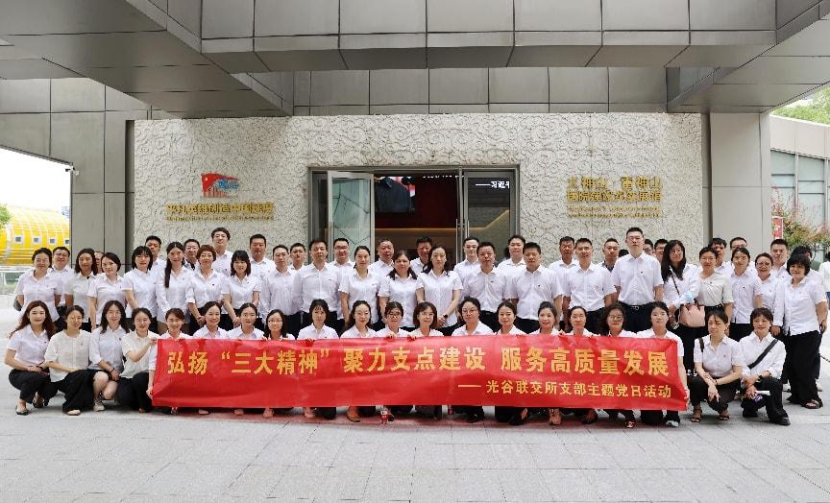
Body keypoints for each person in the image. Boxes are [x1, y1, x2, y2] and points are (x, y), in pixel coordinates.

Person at [773, 254, 826, 409]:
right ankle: (797, 394)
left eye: (800, 267)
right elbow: (779, 306)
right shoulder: (784, 285)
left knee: (802, 363)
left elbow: (822, 307)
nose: (796, 269)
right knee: (790, 363)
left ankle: (812, 397)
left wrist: (817, 323)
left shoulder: (813, 285)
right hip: (789, 330)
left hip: (808, 331)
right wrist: (776, 324)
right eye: (793, 266)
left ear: (806, 269)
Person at [636, 302, 687, 428]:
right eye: (655, 314)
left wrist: (685, 388)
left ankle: (672, 414)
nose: (659, 317)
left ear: (668, 316)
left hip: (668, 379)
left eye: (662, 314)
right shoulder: (641, 336)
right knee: (651, 420)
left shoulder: (675, 339)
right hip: (648, 380)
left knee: (676, 381)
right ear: (650, 318)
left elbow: (680, 365)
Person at [689, 310, 744, 422]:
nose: (713, 326)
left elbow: (738, 373)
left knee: (716, 401)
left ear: (726, 325)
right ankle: (697, 408)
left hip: (726, 382)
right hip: (706, 379)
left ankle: (722, 408)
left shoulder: (734, 345)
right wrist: (711, 383)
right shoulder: (699, 342)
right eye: (710, 323)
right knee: (695, 381)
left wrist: (716, 383)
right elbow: (698, 367)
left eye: (717, 323)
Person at [739, 307, 790, 425]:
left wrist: (756, 378)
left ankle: (777, 415)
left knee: (771, 382)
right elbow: (741, 366)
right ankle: (750, 406)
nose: (760, 324)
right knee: (754, 400)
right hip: (748, 385)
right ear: (752, 323)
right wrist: (750, 385)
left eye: (764, 321)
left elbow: (776, 369)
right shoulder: (743, 342)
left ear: (770, 323)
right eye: (756, 320)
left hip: (766, 384)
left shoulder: (779, 345)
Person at [5, 301, 56, 415]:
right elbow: (8, 359)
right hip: (21, 372)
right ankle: (21, 403)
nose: (38, 316)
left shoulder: (50, 333)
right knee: (34, 377)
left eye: (41, 313)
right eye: (34, 313)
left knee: (52, 386)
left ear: (46, 315)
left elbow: (54, 356)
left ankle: (39, 398)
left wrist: (42, 366)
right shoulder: (19, 334)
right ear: (28, 315)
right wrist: (28, 368)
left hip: (43, 370)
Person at [43, 305, 95, 415]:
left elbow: (93, 357)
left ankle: (81, 399)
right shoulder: (56, 338)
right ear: (65, 319)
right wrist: (70, 370)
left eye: (79, 318)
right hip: (62, 377)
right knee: (82, 374)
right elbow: (49, 362)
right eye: (72, 318)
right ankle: (70, 407)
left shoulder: (89, 336)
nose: (76, 321)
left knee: (88, 399)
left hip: (82, 377)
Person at [611, 227, 663, 332]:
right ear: (626, 241)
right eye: (631, 238)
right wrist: (615, 309)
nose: (634, 241)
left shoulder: (653, 262)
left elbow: (658, 288)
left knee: (646, 340)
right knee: (626, 340)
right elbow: (615, 288)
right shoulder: (620, 262)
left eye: (637, 238)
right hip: (625, 310)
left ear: (643, 240)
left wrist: (658, 310)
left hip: (647, 310)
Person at [451, 297, 494, 423]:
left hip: (480, 370)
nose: (468, 314)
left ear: (478, 312)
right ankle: (469, 408)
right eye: (464, 311)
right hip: (462, 370)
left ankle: (476, 409)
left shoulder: (487, 331)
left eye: (472, 310)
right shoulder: (457, 332)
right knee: (458, 407)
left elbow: (490, 355)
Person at [560, 238, 614, 334]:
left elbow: (608, 299)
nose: (583, 251)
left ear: (592, 250)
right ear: (575, 251)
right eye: (580, 249)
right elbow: (566, 300)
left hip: (597, 317)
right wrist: (566, 322)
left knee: (597, 343)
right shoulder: (568, 273)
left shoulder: (603, 272)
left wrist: (607, 320)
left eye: (586, 248)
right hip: (576, 317)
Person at [296, 299, 339, 420]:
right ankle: (307, 403)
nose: (319, 316)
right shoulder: (303, 332)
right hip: (309, 374)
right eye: (316, 312)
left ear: (326, 314)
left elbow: (337, 354)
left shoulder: (332, 332)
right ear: (311, 313)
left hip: (326, 376)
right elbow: (297, 354)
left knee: (330, 414)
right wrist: (307, 347)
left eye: (322, 312)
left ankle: (320, 403)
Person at [661, 240, 699, 372]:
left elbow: (694, 291)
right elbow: (659, 291)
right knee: (670, 344)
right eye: (673, 251)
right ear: (667, 253)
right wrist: (668, 308)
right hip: (668, 313)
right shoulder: (662, 270)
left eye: (679, 250)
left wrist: (675, 305)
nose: (676, 253)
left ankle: (687, 373)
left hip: (687, 312)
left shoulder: (692, 269)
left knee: (688, 344)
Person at [508, 242, 562, 334]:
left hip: (544, 321)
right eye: (527, 255)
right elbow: (514, 300)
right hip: (522, 320)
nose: (531, 257)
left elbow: (558, 298)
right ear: (523, 257)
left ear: (540, 256)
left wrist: (556, 321)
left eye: (534, 254)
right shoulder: (516, 277)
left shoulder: (551, 275)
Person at [493, 301, 532, 426]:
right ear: (498, 317)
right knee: (501, 418)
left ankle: (526, 409)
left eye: (508, 314)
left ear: (515, 316)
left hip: (517, 378)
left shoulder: (522, 336)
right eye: (501, 314)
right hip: (501, 379)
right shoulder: (493, 336)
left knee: (516, 418)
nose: (505, 317)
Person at [146, 308, 193, 414]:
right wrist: (150, 385)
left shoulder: (190, 339)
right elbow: (152, 363)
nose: (174, 323)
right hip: (165, 379)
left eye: (177, 320)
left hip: (184, 378)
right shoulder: (160, 341)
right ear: (166, 321)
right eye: (171, 320)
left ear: (183, 321)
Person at [339, 300, 379, 422]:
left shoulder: (374, 334)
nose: (363, 316)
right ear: (353, 315)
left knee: (369, 412)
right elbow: (341, 359)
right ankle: (353, 406)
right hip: (352, 372)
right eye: (359, 313)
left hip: (370, 374)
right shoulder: (346, 336)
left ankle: (363, 400)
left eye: (366, 313)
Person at [558, 306, 598, 425]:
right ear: (569, 319)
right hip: (569, 379)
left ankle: (590, 409)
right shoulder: (564, 337)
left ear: (586, 318)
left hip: (588, 379)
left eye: (581, 316)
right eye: (574, 316)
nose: (578, 319)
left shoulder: (594, 337)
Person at [292, 240, 341, 331]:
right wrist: (306, 308)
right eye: (315, 249)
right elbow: (296, 295)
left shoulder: (335, 271)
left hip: (330, 315)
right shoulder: (302, 273)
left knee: (330, 339)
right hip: (309, 315)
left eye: (322, 249)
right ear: (310, 253)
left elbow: (339, 295)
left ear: (326, 251)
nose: (319, 251)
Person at [89, 300, 129, 412]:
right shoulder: (97, 332)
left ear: (122, 314)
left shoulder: (127, 333)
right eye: (110, 312)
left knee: (108, 394)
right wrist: (111, 369)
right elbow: (94, 356)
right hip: (97, 370)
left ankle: (100, 395)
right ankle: (96, 399)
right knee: (102, 378)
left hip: (116, 372)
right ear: (105, 314)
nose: (114, 315)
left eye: (117, 312)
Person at [416, 245, 463, 335]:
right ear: (431, 258)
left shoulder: (454, 276)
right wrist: (434, 317)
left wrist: (445, 316)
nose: (438, 258)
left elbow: (456, 299)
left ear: (446, 258)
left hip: (450, 322)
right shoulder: (422, 276)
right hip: (429, 322)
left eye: (441, 256)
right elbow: (420, 299)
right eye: (435, 255)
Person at [461, 241, 507, 332]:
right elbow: (465, 296)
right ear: (478, 256)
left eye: (489, 254)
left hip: (497, 316)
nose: (486, 256)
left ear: (494, 255)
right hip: (476, 316)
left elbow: (506, 298)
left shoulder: (502, 275)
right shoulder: (471, 275)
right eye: (482, 254)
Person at [118, 307, 155, 413]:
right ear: (133, 322)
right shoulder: (126, 338)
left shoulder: (157, 337)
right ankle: (143, 401)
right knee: (124, 399)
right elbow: (134, 358)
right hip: (129, 376)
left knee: (139, 379)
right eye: (138, 320)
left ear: (150, 321)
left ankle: (146, 404)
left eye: (145, 319)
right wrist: (147, 344)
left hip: (147, 378)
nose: (142, 323)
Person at [15, 248, 63, 326]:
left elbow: (57, 298)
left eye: (45, 260)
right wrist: (30, 309)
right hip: (28, 318)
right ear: (33, 262)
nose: (41, 263)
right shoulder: (24, 277)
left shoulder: (56, 278)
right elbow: (20, 297)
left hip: (50, 318)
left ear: (49, 262)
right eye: (38, 260)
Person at [694, 246, 734, 338]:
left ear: (716, 260)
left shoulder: (723, 278)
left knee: (717, 341)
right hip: (698, 314)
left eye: (711, 258)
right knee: (700, 341)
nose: (707, 261)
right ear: (699, 260)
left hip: (717, 313)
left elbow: (728, 303)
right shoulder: (694, 277)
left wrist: (727, 324)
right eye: (704, 258)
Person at [185, 244, 224, 334]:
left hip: (215, 316)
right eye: (203, 255)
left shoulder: (220, 277)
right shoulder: (191, 277)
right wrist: (199, 317)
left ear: (213, 258)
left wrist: (210, 315)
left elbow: (222, 298)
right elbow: (190, 300)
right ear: (198, 258)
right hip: (197, 316)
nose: (206, 258)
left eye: (209, 255)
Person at [262, 309, 295, 418]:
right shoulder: (262, 338)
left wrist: (287, 347)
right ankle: (269, 406)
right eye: (271, 320)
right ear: (267, 323)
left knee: (288, 406)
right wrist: (261, 346)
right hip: (267, 374)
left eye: (278, 320)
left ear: (283, 322)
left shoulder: (290, 337)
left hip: (284, 375)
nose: (274, 323)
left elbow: (294, 359)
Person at [340, 246, 381, 330]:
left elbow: (379, 298)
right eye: (359, 256)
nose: (363, 259)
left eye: (365, 256)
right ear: (355, 258)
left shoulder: (376, 277)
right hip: (354, 321)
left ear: (369, 258)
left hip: (373, 320)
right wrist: (347, 321)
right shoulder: (347, 276)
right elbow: (343, 300)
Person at [261, 244, 298, 337]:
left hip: (294, 318)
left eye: (283, 254)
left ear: (289, 256)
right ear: (273, 258)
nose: (281, 258)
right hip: (276, 321)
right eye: (277, 255)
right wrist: (267, 321)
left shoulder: (297, 275)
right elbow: (264, 302)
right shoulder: (268, 278)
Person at [155, 242, 192, 334]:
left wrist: (180, 314)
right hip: (164, 319)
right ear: (168, 255)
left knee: (183, 342)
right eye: (172, 253)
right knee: (166, 342)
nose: (176, 256)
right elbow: (160, 296)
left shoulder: (189, 274)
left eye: (178, 253)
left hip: (183, 319)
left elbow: (189, 296)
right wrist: (169, 315)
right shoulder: (162, 273)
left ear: (183, 254)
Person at [379, 250, 419, 331]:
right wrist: (386, 319)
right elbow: (383, 302)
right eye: (398, 261)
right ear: (394, 264)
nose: (402, 263)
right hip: (394, 324)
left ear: (409, 263)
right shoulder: (387, 280)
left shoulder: (417, 280)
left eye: (404, 261)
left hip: (413, 323)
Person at [729, 247, 762, 341]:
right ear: (732, 260)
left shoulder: (754, 279)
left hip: (748, 320)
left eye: (743, 258)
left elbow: (758, 302)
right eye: (736, 257)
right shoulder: (728, 278)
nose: (739, 260)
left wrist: (758, 322)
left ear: (748, 260)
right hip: (731, 321)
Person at [222, 250, 261, 330]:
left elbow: (256, 300)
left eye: (242, 262)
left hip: (250, 315)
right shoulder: (227, 281)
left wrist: (247, 316)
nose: (239, 265)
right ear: (232, 264)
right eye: (236, 262)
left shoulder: (255, 280)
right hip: (233, 315)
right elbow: (227, 301)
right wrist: (235, 318)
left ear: (247, 263)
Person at [87, 252, 125, 333]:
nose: (108, 267)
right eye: (104, 264)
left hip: (120, 323)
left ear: (117, 265)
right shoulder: (96, 282)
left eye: (111, 263)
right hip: (101, 323)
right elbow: (92, 305)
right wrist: (93, 326)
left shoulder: (124, 282)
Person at [122, 246, 157, 330]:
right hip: (134, 317)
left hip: (152, 317)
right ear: (134, 259)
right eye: (139, 256)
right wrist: (141, 315)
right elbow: (130, 299)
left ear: (150, 259)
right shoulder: (128, 276)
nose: (143, 259)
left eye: (146, 256)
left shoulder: (155, 276)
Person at [64, 248, 98, 332]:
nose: (84, 262)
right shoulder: (72, 280)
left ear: (93, 261)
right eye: (81, 259)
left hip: (98, 319)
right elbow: (69, 303)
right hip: (79, 320)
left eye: (87, 259)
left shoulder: (99, 278)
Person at [50, 246, 73, 319]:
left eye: (64, 255)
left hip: (67, 310)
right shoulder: (46, 273)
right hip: (48, 309)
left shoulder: (74, 274)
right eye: (58, 254)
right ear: (52, 256)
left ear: (68, 258)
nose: (61, 257)